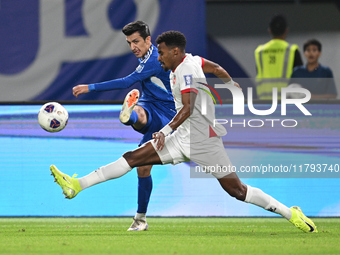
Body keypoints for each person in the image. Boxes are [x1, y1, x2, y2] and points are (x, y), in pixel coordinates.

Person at [51, 30, 317, 234]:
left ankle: (289, 212)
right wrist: (229, 82)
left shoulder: (186, 69)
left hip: (204, 142)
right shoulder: (189, 61)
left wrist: (165, 130)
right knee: (132, 158)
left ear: (175, 52)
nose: (158, 57)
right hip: (181, 138)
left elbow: (187, 109)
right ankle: (77, 185)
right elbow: (215, 67)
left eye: (162, 53)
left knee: (237, 190)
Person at [72, 21, 240, 231]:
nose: (133, 46)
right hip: (150, 103)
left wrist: (90, 87)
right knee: (142, 168)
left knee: (141, 118)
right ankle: (140, 219)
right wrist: (230, 84)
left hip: (167, 114)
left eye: (136, 41)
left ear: (148, 40)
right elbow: (215, 68)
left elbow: (126, 82)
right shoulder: (149, 57)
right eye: (129, 43)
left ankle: (130, 117)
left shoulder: (155, 59)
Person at [254, 14, 303, 99]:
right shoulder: (292, 50)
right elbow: (301, 78)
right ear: (286, 30)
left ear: (269, 30)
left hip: (265, 105)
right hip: (287, 104)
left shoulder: (260, 52)